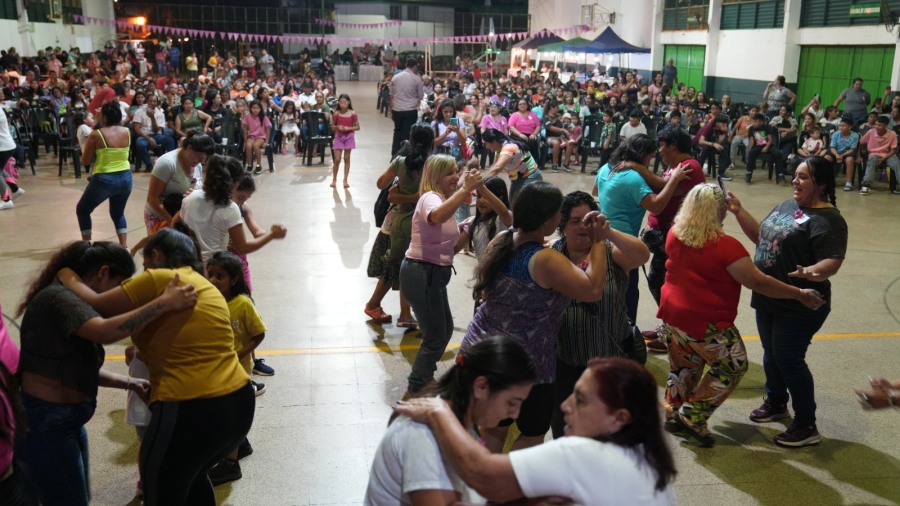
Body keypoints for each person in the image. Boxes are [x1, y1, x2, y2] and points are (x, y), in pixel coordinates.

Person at [59, 228, 253, 505]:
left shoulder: (162, 277)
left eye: (145, 261)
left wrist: (68, 276)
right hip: (237, 405)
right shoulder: (203, 284)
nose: (143, 270)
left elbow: (98, 308)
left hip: (192, 406)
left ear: (156, 254)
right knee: (194, 479)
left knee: (160, 493)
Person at [15, 240, 198, 506]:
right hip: (46, 425)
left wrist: (130, 382)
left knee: (75, 498)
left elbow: (76, 368)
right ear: (103, 273)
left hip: (65, 423)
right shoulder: (59, 298)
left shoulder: (73, 298)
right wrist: (163, 303)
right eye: (120, 284)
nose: (120, 296)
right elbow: (105, 332)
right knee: (69, 500)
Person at [659, 183, 825, 447]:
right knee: (732, 364)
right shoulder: (726, 247)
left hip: (672, 315)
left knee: (684, 366)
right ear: (719, 210)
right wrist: (799, 294)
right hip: (706, 322)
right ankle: (691, 416)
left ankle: (674, 409)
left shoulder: (675, 233)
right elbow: (759, 282)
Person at [395, 357, 677, 505]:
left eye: (580, 400)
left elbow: (481, 472)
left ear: (619, 419)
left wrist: (438, 411)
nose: (565, 406)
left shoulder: (584, 453)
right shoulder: (647, 460)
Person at [462, 181, 610, 451]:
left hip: (484, 349)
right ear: (549, 219)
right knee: (532, 433)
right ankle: (507, 485)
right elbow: (592, 290)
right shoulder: (544, 259)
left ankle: (485, 482)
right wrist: (598, 242)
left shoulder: (504, 239)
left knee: (495, 428)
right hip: (523, 362)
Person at [729, 156, 848, 447]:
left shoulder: (829, 220)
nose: (795, 181)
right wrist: (739, 211)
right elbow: (762, 237)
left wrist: (812, 272)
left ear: (820, 184)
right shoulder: (787, 206)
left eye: (804, 177)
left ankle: (807, 425)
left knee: (789, 360)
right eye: (795, 175)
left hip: (801, 302)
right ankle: (777, 402)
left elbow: (832, 262)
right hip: (770, 295)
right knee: (771, 353)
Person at [364, 335, 536, 504]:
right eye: (512, 402)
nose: (515, 414)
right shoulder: (422, 434)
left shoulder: (459, 423)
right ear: (481, 387)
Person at [550, 191, 650, 439]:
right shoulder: (551, 255)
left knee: (609, 431)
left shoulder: (611, 252)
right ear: (562, 225)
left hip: (609, 363)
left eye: (589, 219)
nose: (583, 226)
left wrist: (608, 232)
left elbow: (643, 254)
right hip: (566, 363)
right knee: (566, 429)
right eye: (575, 221)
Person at [400, 155, 482, 397]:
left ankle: (424, 378)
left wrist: (463, 227)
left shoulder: (444, 199)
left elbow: (442, 234)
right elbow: (436, 216)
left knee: (444, 330)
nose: (456, 177)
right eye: (450, 173)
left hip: (432, 275)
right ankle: (415, 389)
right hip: (422, 273)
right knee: (435, 336)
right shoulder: (430, 198)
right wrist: (466, 189)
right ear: (436, 177)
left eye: (456, 171)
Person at [592, 134, 691, 327]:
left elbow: (596, 191)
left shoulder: (606, 168)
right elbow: (656, 206)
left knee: (608, 287)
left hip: (602, 237)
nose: (650, 161)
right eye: (650, 157)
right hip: (624, 242)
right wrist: (675, 179)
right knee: (628, 292)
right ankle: (627, 336)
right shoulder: (633, 177)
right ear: (642, 155)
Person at [204, 251, 266, 485]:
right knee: (227, 413)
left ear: (234, 280)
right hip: (216, 369)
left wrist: (237, 355)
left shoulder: (242, 304)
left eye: (219, 276)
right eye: (210, 274)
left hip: (236, 370)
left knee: (228, 417)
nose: (212, 280)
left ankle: (231, 465)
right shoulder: (209, 300)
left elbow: (258, 334)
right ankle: (241, 445)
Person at [365, 123, 434, 327]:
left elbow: (380, 184)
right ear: (431, 143)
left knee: (394, 266)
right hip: (418, 222)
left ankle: (376, 305)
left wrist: (399, 184)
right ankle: (404, 314)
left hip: (395, 219)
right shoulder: (431, 164)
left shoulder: (400, 161)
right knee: (407, 266)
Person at [177, 155, 287, 265]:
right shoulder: (229, 208)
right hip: (213, 269)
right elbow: (242, 248)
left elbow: (175, 224)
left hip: (189, 264)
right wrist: (271, 235)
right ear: (234, 183)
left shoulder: (190, 198)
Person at [76, 102, 133, 247]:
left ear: (105, 117)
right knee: (118, 213)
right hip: (126, 177)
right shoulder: (127, 131)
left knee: (83, 210)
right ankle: (124, 247)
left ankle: (86, 246)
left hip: (105, 178)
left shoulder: (96, 135)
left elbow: (85, 160)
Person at [143, 131, 214, 233]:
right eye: (199, 157)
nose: (201, 162)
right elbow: (153, 199)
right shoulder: (166, 164)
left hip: (182, 215)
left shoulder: (197, 164)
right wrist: (174, 223)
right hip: (161, 215)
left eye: (203, 160)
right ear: (189, 147)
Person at [458, 176, 512, 259]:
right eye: (479, 196)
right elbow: (452, 250)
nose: (481, 201)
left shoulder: (503, 219)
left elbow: (503, 212)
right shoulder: (472, 222)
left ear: (499, 198)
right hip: (483, 271)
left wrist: (480, 186)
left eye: (486, 197)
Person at [482, 128, 542, 202]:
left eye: (486, 144)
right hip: (517, 178)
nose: (486, 147)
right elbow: (494, 167)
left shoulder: (509, 147)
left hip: (530, 176)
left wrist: (480, 185)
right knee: (513, 203)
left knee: (522, 205)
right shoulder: (499, 149)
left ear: (494, 142)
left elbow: (497, 168)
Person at [132, 93, 176, 173]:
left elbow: (156, 130)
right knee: (140, 144)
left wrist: (152, 117)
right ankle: (149, 165)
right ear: (147, 101)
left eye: (154, 101)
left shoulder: (160, 113)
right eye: (150, 101)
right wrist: (149, 139)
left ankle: (171, 164)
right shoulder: (139, 111)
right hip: (143, 135)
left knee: (170, 141)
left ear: (157, 103)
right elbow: (137, 129)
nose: (152, 103)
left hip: (156, 135)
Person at [391, 58, 425, 158]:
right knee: (407, 132)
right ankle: (404, 153)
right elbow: (421, 96)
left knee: (397, 131)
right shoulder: (416, 79)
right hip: (410, 110)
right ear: (414, 66)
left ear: (406, 64)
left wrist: (391, 108)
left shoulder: (395, 77)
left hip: (397, 109)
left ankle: (394, 153)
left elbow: (391, 95)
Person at [858, 115, 899, 195]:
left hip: (888, 154)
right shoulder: (871, 132)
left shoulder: (892, 134)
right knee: (871, 160)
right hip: (874, 154)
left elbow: (894, 150)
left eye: (879, 125)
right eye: (876, 124)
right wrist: (858, 155)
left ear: (886, 126)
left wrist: (883, 159)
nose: (877, 126)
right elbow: (860, 143)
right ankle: (866, 185)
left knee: (896, 163)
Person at [744, 112, 785, 183]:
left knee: (778, 153)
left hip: (768, 145)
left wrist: (766, 147)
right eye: (753, 121)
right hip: (757, 146)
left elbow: (770, 139)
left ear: (761, 122)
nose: (754, 123)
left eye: (756, 121)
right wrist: (750, 150)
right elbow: (751, 140)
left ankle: (780, 174)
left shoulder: (766, 127)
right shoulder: (751, 128)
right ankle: (749, 173)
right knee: (751, 153)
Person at [330, 93, 359, 188]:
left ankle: (345, 180)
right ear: (339, 103)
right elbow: (332, 126)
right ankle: (334, 179)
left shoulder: (352, 113)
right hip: (339, 136)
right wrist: (338, 127)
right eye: (341, 102)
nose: (343, 104)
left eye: (345, 102)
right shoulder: (336, 113)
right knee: (337, 159)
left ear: (348, 102)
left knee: (347, 158)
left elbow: (358, 127)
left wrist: (348, 128)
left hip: (349, 137)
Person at [828, 118, 860, 191]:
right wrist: (836, 155)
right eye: (840, 125)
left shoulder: (855, 135)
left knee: (849, 160)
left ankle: (848, 183)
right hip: (836, 152)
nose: (841, 127)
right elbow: (832, 147)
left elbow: (852, 149)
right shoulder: (835, 134)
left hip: (848, 153)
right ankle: (827, 180)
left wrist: (842, 155)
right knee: (827, 158)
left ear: (850, 127)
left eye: (843, 126)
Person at [242, 100, 272, 175]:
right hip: (251, 136)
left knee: (256, 146)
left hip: (261, 137)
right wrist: (245, 141)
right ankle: (249, 165)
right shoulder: (248, 117)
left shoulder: (264, 117)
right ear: (250, 108)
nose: (255, 110)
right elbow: (245, 129)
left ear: (260, 108)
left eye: (257, 108)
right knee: (248, 146)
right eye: (253, 107)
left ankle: (258, 165)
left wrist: (266, 141)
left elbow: (268, 130)